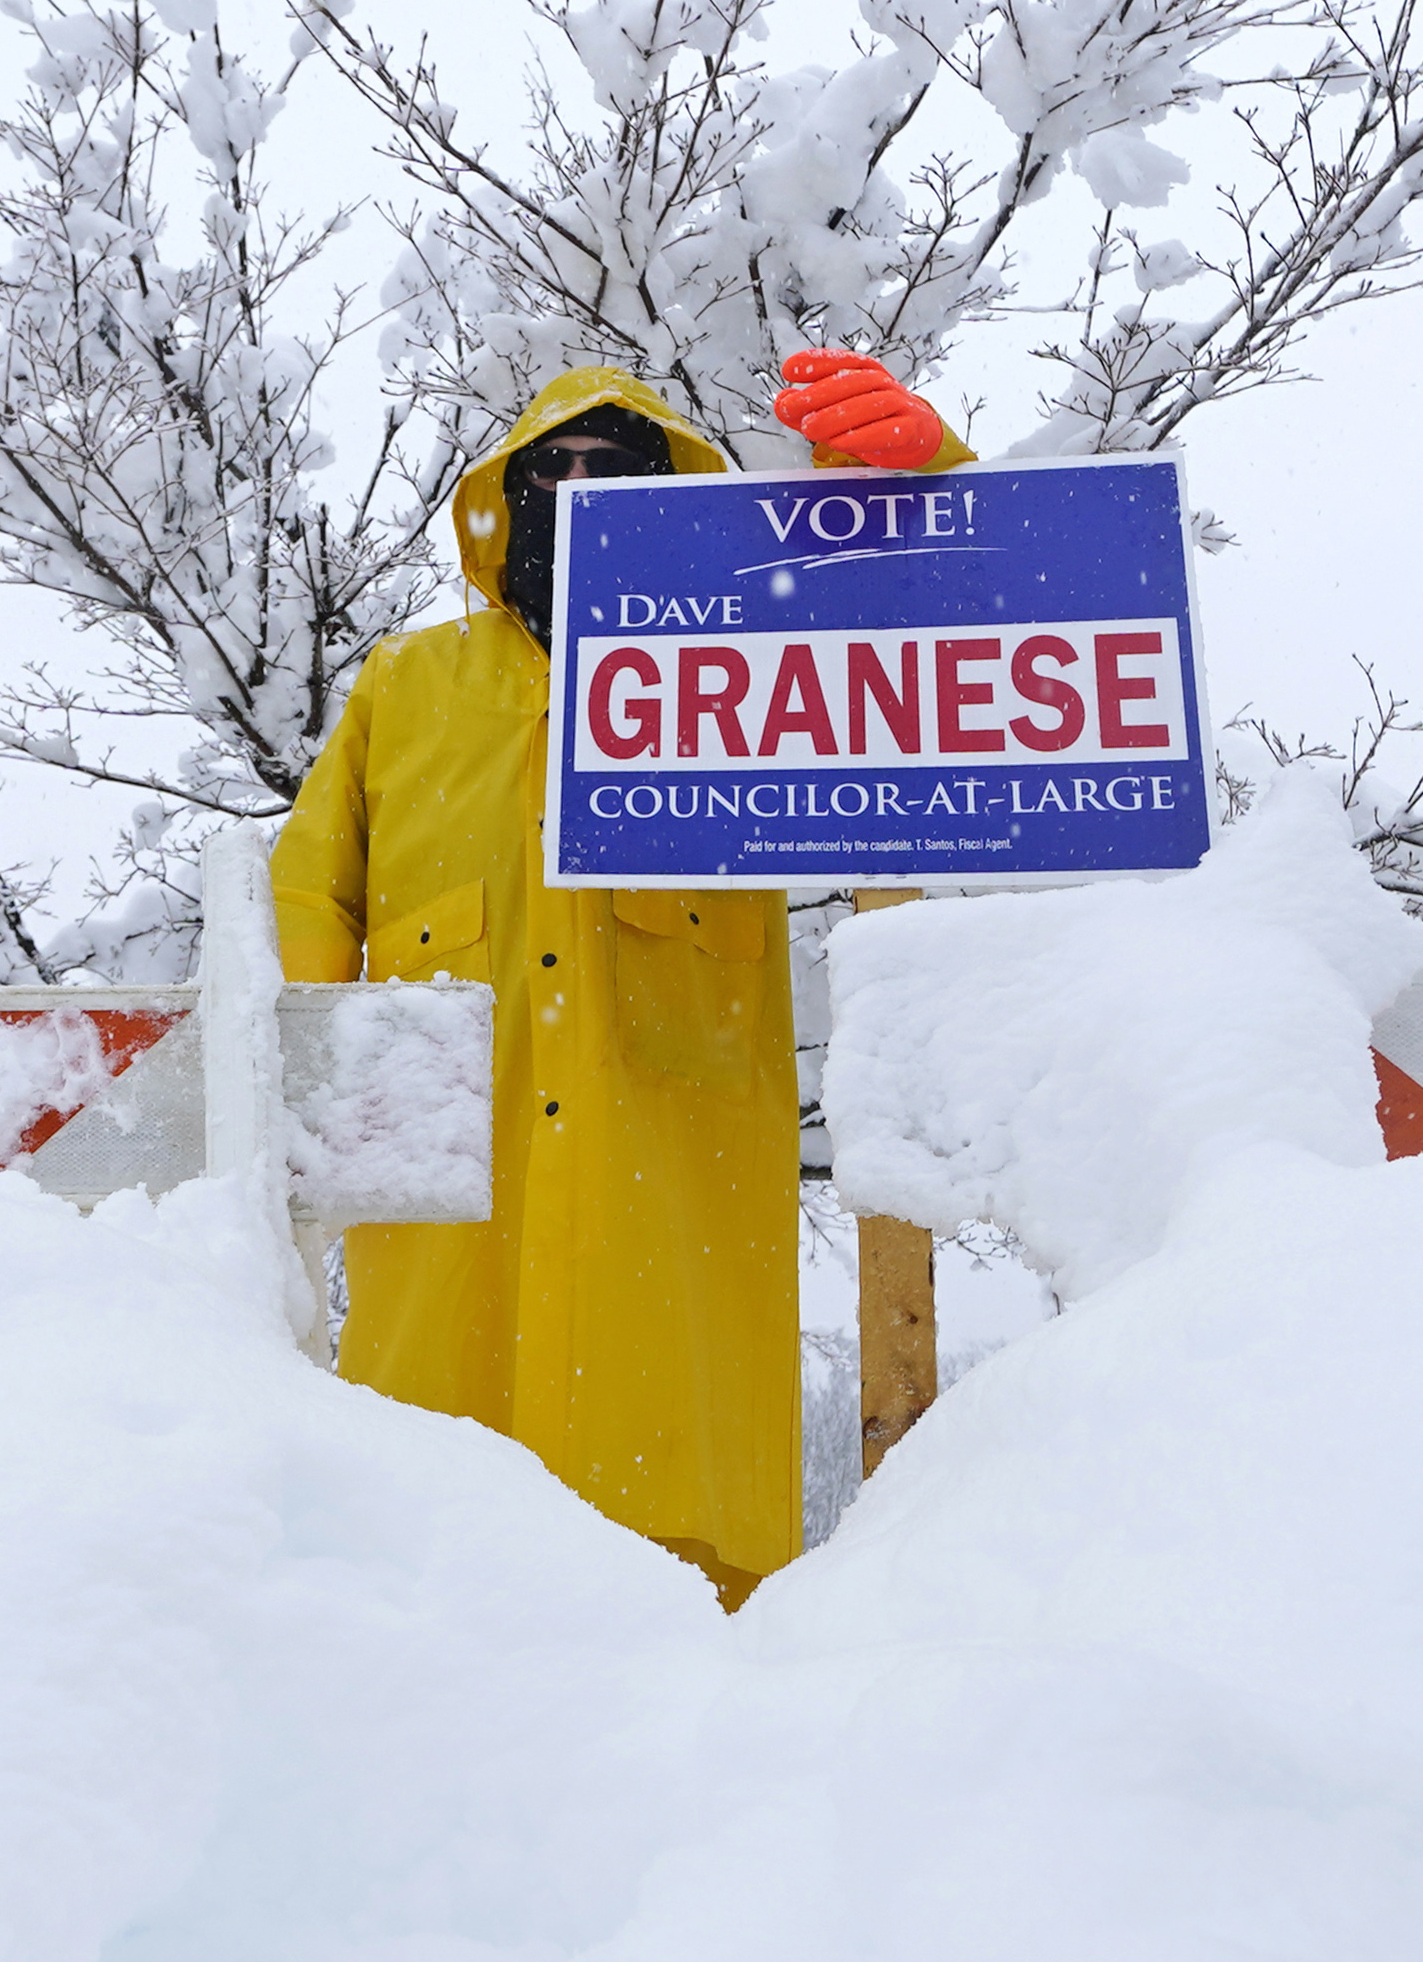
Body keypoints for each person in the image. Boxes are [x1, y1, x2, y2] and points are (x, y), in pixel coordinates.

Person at [267, 352, 967, 1609]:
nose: (581, 494)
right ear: (507, 496)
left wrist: (908, 506)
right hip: (453, 1213)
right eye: (554, 470)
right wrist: (304, 1104)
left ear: (675, 497)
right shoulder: (407, 682)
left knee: (666, 1578)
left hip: (668, 1207)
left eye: (618, 471)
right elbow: (312, 887)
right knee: (425, 1556)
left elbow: (935, 667)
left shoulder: (755, 656)